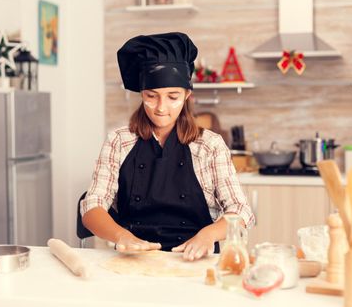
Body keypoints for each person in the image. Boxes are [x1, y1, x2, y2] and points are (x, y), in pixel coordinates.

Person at [80, 32, 254, 261]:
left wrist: (208, 235)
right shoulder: (118, 141)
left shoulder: (209, 145)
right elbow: (92, 207)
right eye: (151, 96)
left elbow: (241, 211)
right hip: (133, 258)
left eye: (173, 97)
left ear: (187, 95)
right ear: (141, 94)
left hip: (195, 260)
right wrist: (121, 236)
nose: (161, 107)